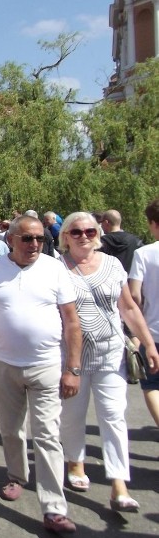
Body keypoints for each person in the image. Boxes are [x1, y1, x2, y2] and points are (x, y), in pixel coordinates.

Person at [0, 215, 83, 535]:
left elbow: (71, 322)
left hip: (46, 365)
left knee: (47, 436)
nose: (35, 245)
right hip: (2, 364)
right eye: (27, 239)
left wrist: (73, 368)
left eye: (40, 239)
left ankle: (54, 508)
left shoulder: (54, 269)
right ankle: (16, 476)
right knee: (11, 430)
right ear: (11, 239)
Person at [56, 212, 159, 513]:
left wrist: (149, 344)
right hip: (72, 358)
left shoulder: (112, 264)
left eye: (89, 230)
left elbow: (128, 306)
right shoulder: (56, 267)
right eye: (76, 232)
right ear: (65, 237)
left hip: (110, 354)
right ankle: (75, 464)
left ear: (98, 232)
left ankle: (119, 485)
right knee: (73, 415)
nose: (84, 236)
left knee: (114, 417)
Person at [130, 198, 159, 427]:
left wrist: (135, 332)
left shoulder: (145, 254)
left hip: (153, 331)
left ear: (153, 223)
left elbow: (135, 296)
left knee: (152, 386)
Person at [99, 209, 143, 274]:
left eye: (101, 222)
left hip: (110, 281)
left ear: (106, 222)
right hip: (130, 281)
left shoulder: (101, 242)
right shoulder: (135, 241)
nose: (101, 225)